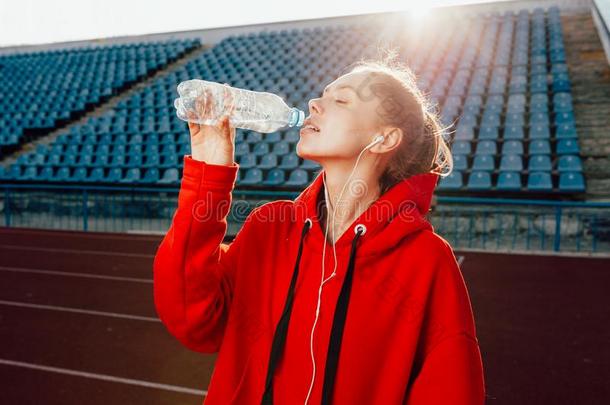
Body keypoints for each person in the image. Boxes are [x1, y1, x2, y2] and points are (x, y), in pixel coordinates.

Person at [153, 52, 486, 405]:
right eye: (322, 95)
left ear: (384, 139)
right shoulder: (270, 229)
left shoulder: (425, 260)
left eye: (341, 100)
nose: (314, 103)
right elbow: (192, 320)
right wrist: (209, 173)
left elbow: (451, 391)